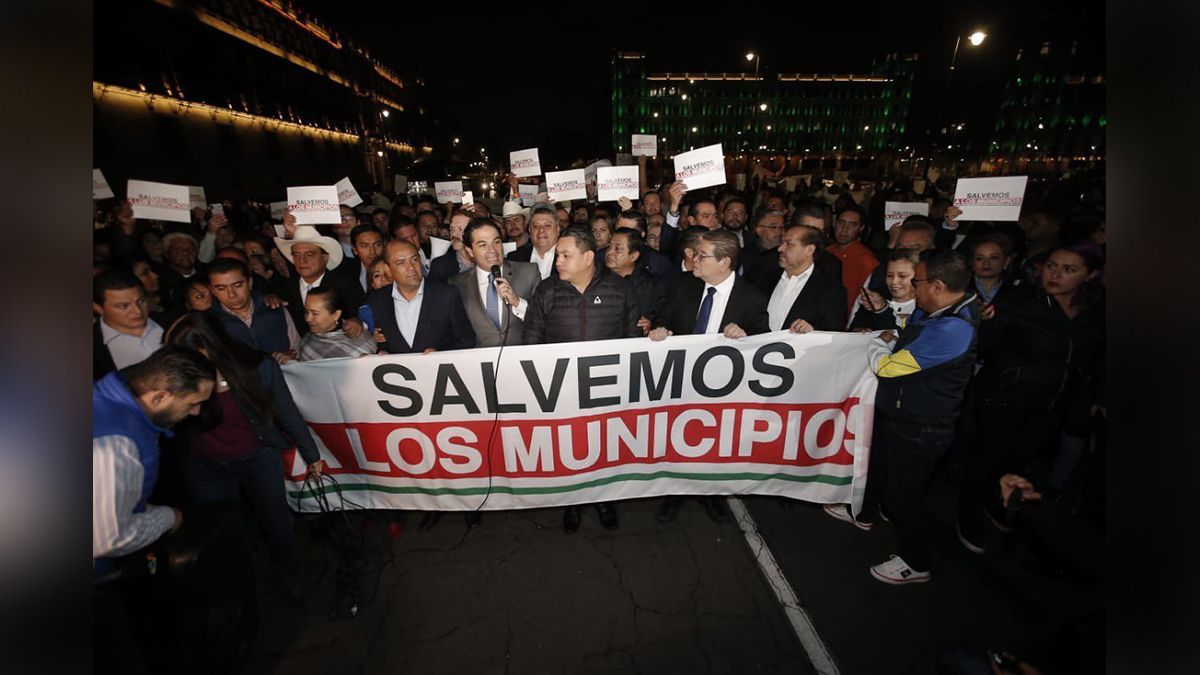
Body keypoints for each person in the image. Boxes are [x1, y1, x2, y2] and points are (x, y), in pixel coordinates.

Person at [836, 249, 979, 585]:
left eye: (918, 282)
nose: (913, 288)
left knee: (903, 497)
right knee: (892, 484)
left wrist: (878, 343)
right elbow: (908, 337)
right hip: (905, 419)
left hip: (921, 429)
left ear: (938, 286)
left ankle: (916, 561)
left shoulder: (953, 330)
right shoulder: (941, 312)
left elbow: (888, 367)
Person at [164, 312, 326, 601]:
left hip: (258, 458)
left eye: (193, 356)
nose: (186, 365)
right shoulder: (175, 377)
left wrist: (311, 454)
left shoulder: (258, 366)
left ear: (214, 346)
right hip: (205, 467)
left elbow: (286, 411)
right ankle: (240, 590)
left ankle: (289, 575)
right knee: (224, 532)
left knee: (277, 522)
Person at [955, 242, 1105, 554]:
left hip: (1052, 406)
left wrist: (1095, 395)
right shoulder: (1019, 300)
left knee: (1018, 462)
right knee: (985, 459)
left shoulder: (1095, 310)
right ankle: (967, 514)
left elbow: (1094, 358)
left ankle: (996, 503)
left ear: (1090, 275)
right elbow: (983, 347)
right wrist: (984, 324)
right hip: (1003, 399)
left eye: (1069, 269)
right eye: (1051, 266)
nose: (1055, 275)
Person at [93, 346, 215, 673]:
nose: (195, 413)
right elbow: (108, 538)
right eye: (192, 403)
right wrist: (167, 518)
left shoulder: (108, 400)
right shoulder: (115, 445)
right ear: (159, 397)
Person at [524, 227, 641, 533]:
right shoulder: (546, 290)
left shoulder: (620, 289)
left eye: (566, 255)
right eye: (558, 256)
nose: (558, 262)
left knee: (604, 446)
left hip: (607, 390)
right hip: (562, 391)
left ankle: (604, 499)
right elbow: (531, 340)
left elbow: (633, 339)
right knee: (569, 448)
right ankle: (573, 500)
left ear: (588, 257)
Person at [649, 229, 770, 524]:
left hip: (723, 390)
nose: (694, 258)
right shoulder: (684, 285)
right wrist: (659, 328)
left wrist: (746, 336)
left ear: (724, 262)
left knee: (713, 442)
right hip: (681, 382)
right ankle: (674, 490)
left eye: (702, 255)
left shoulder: (752, 298)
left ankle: (710, 492)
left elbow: (765, 341)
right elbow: (663, 317)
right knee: (677, 438)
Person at [366, 239, 475, 354]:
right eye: (401, 263)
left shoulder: (447, 295)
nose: (411, 267)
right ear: (388, 269)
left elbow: (467, 340)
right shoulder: (378, 300)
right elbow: (386, 341)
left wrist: (440, 353)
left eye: (414, 259)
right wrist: (384, 352)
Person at [447, 218, 541, 347]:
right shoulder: (456, 284)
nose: (492, 250)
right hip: (478, 358)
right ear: (470, 251)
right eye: (483, 245)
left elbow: (544, 320)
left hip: (522, 356)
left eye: (496, 242)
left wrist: (518, 303)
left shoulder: (529, 272)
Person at [274, 222, 365, 337]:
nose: (302, 261)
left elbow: (362, 313)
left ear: (325, 258)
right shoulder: (283, 289)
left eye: (309, 254)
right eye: (296, 255)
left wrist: (357, 321)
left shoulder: (346, 285)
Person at [207, 258, 301, 363]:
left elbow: (297, 346)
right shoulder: (209, 322)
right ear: (212, 290)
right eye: (221, 289)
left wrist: (291, 354)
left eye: (238, 286)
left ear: (250, 283)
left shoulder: (274, 309)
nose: (232, 294)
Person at [766, 224, 848, 333]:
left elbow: (834, 333)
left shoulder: (831, 291)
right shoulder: (765, 275)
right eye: (782, 243)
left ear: (809, 250)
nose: (780, 248)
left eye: (789, 244)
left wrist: (812, 331)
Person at [93, 270, 165, 381]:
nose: (137, 311)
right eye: (124, 306)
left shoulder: (170, 321)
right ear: (98, 308)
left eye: (141, 301)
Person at [606, 227, 666, 335]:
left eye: (617, 248)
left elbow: (662, 318)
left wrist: (651, 325)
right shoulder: (597, 280)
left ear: (634, 256)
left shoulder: (652, 286)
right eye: (609, 246)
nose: (610, 252)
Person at [827, 204, 880, 317]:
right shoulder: (827, 251)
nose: (844, 229)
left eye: (852, 225)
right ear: (834, 223)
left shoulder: (866, 260)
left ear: (861, 228)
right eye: (841, 222)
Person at [298, 287, 377, 361]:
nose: (307, 319)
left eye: (315, 313)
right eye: (306, 312)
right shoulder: (307, 340)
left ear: (336, 314)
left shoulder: (360, 342)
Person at [849, 250, 920, 332]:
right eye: (889, 275)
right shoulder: (874, 301)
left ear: (918, 276)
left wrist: (882, 310)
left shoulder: (925, 307)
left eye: (902, 276)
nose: (894, 281)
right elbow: (854, 330)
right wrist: (860, 332)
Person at [506, 202, 559, 280]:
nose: (541, 230)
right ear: (530, 230)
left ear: (557, 229)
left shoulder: (569, 258)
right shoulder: (514, 259)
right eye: (536, 226)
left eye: (547, 225)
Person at [428, 208, 475, 282]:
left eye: (460, 229)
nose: (454, 234)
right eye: (452, 229)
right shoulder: (440, 265)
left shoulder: (486, 260)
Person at [336, 224, 385, 293]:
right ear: (355, 250)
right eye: (365, 246)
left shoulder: (393, 270)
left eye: (377, 245)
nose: (372, 251)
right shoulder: (345, 275)